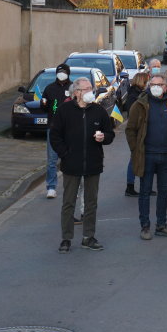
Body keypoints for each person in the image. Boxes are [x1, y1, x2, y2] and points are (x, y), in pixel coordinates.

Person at [50, 78, 115, 253]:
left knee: (91, 203)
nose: (89, 92)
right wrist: (65, 154)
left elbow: (110, 134)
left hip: (93, 164)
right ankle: (66, 238)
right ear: (76, 92)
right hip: (71, 165)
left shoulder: (99, 111)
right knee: (68, 203)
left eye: (91, 89)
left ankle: (88, 237)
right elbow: (55, 136)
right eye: (85, 89)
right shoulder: (64, 111)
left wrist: (104, 138)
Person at [126, 74, 167, 240]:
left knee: (164, 191)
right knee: (144, 191)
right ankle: (145, 226)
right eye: (152, 84)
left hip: (166, 156)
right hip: (147, 156)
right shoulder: (140, 104)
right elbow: (130, 130)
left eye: (159, 84)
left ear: (166, 87)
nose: (155, 87)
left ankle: (161, 225)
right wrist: (136, 150)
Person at [41, 63, 72, 199]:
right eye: (59, 72)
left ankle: (72, 187)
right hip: (53, 129)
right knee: (52, 160)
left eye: (64, 72)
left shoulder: (73, 88)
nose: (61, 74)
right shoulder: (49, 88)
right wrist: (43, 104)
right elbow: (45, 108)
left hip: (70, 129)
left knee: (70, 158)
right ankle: (51, 187)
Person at [124, 71, 150, 197]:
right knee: (134, 159)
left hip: (142, 131)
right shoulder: (135, 95)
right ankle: (130, 186)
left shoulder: (138, 93)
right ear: (142, 82)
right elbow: (132, 114)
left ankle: (144, 186)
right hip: (138, 132)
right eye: (147, 81)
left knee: (143, 159)